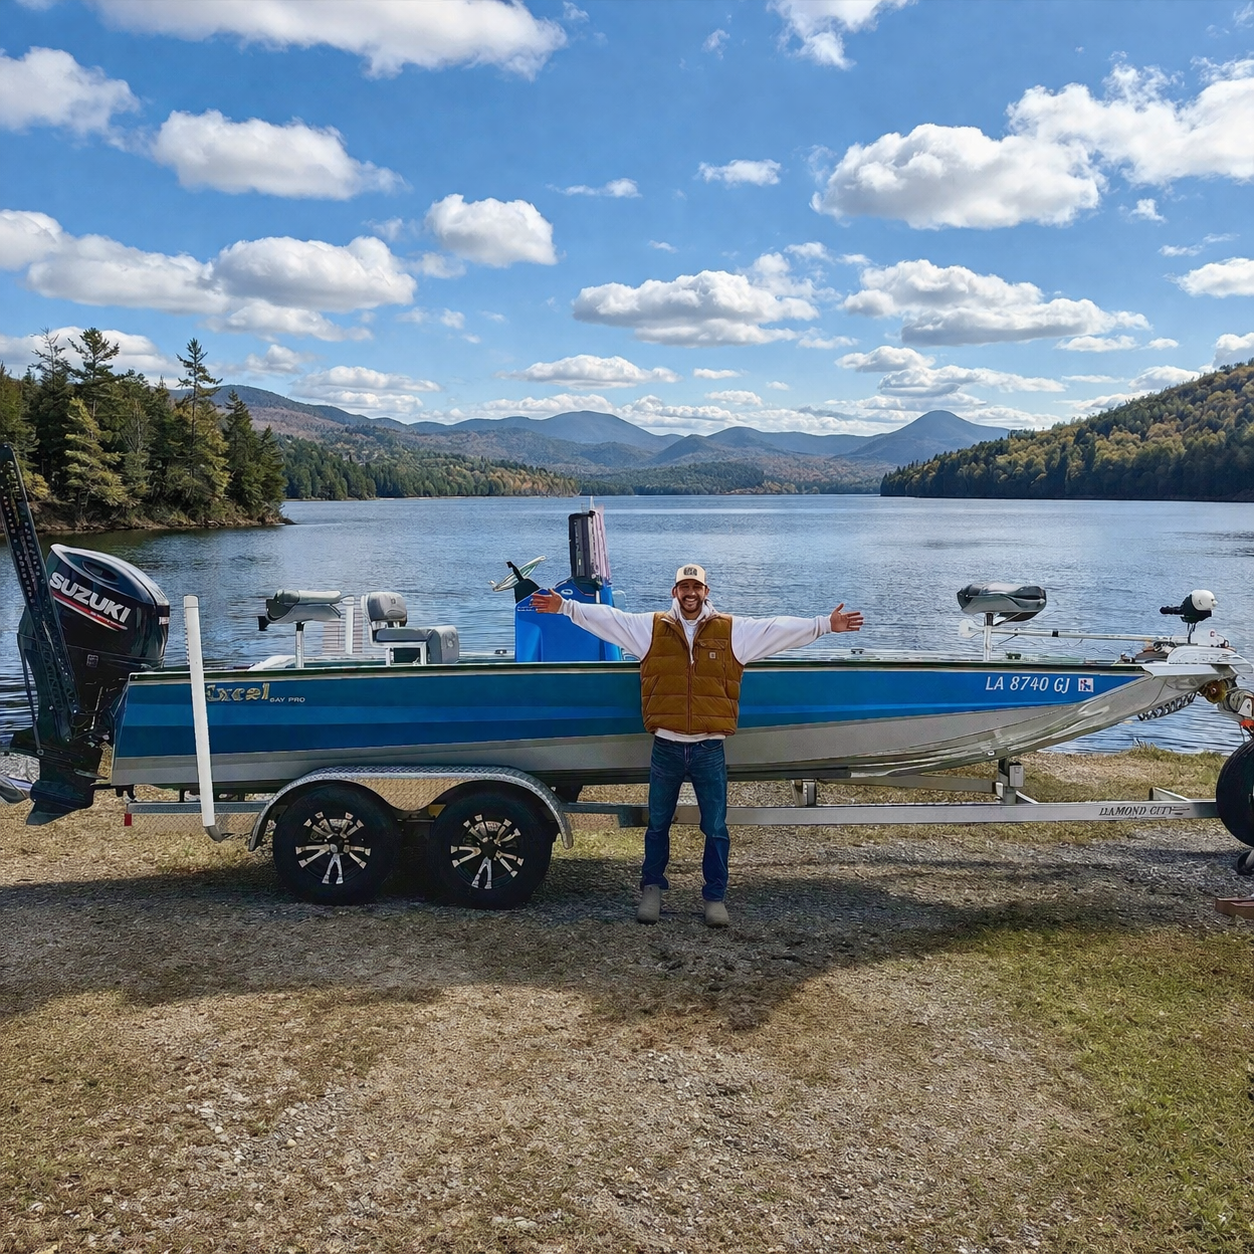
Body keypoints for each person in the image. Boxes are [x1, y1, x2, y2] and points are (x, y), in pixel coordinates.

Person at [530, 563, 864, 927]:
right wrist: (565, 607)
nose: (690, 593)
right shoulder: (651, 628)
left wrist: (825, 625)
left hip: (709, 750)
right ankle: (652, 890)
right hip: (666, 747)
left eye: (696, 587)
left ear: (706, 592)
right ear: (674, 592)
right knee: (658, 823)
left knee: (716, 827)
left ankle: (715, 897)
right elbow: (610, 619)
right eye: (683, 587)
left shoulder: (732, 630)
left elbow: (777, 628)